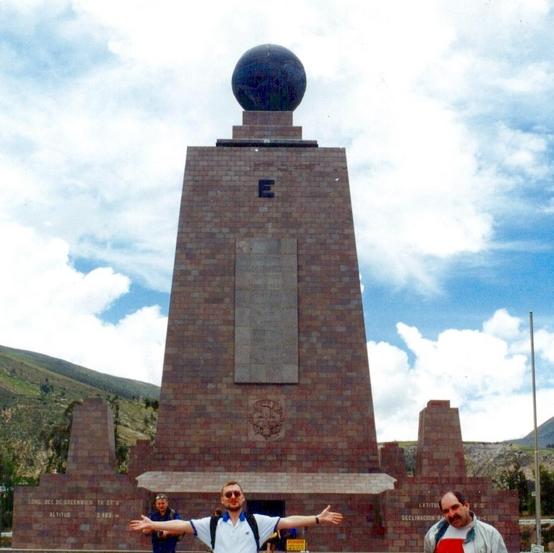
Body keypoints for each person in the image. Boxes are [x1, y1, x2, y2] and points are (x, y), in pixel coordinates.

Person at [130, 480, 343, 553]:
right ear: (222, 500)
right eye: (228, 494)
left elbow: (288, 521)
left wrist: (317, 518)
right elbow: (183, 525)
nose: (233, 496)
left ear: (243, 497)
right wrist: (153, 523)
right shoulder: (211, 525)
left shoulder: (257, 522)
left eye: (237, 493)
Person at [423, 491, 508, 553]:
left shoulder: (490, 534)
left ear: (466, 506)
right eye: (446, 511)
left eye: (455, 507)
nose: (451, 514)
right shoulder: (433, 534)